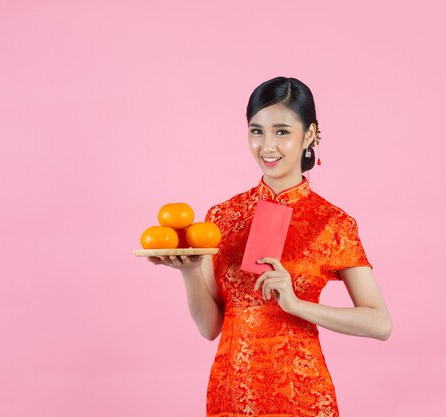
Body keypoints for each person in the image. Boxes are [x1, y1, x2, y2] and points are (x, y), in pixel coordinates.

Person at [147, 76, 392, 417]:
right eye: (257, 131)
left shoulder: (332, 222)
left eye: (282, 131)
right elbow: (209, 328)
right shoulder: (221, 217)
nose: (267, 146)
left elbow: (380, 323)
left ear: (309, 135)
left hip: (301, 395)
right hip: (232, 393)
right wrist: (189, 272)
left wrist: (297, 305)